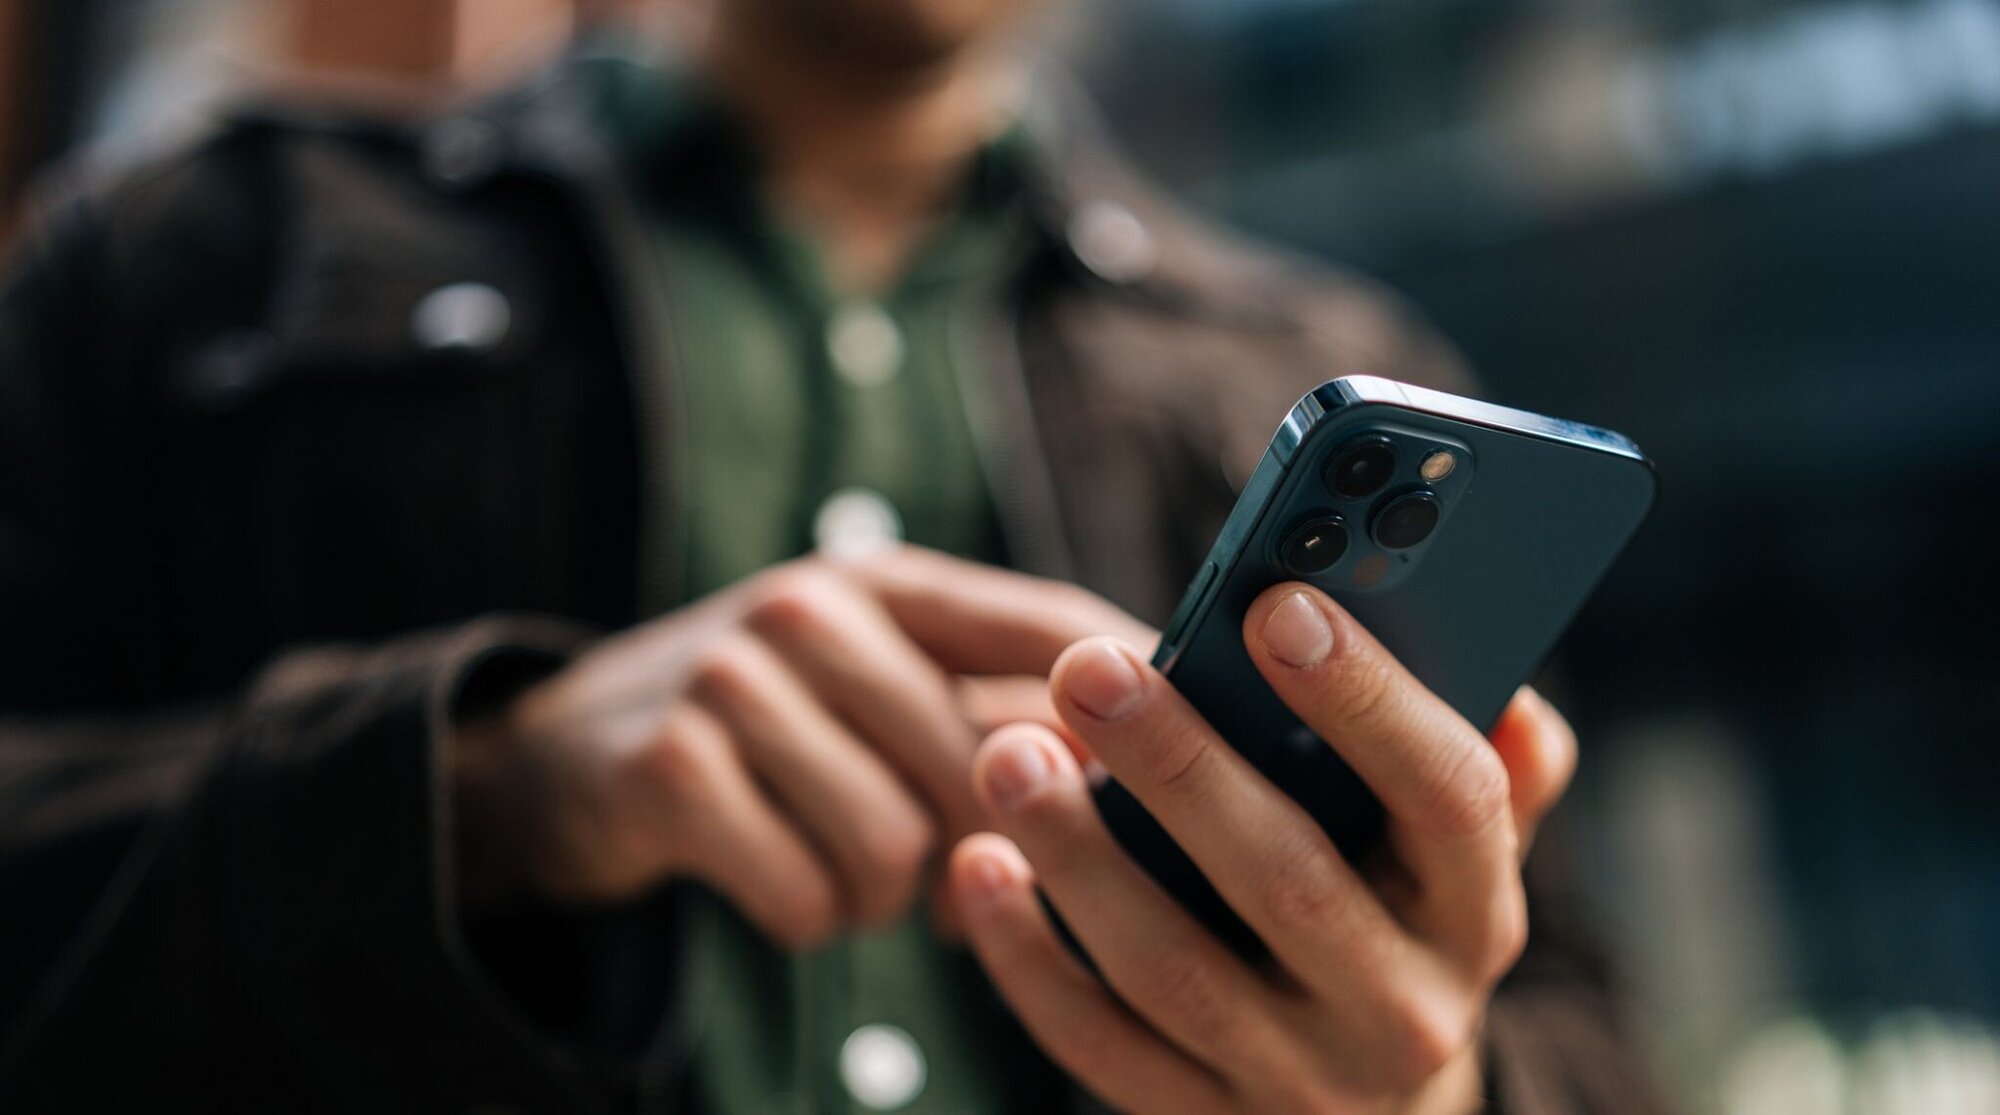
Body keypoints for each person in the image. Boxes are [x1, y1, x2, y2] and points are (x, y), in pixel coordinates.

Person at [0, 0, 1661, 1111]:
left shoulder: (1313, 359)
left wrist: (1435, 1087)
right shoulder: (184, 266)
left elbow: (1587, 1044)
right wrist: (493, 787)